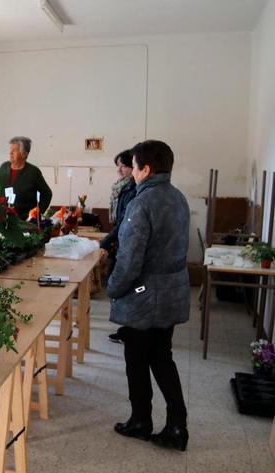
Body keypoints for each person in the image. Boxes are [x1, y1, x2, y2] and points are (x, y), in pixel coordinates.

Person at [108, 140, 190, 452]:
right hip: (171, 291)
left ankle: (141, 420)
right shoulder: (178, 197)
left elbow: (130, 261)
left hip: (144, 295)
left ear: (146, 169)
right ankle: (177, 424)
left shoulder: (141, 204)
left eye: (135, 167)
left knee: (137, 359)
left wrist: (114, 287)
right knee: (162, 356)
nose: (132, 174)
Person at [100, 149, 137, 344]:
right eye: (118, 166)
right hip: (120, 238)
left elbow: (124, 221)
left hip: (125, 241)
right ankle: (126, 329)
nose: (119, 170)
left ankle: (128, 330)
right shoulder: (123, 187)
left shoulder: (133, 190)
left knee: (125, 287)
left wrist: (105, 241)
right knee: (119, 285)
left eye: (123, 165)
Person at [0, 136, 52, 216]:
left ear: (24, 154)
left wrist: (37, 212)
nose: (10, 152)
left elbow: (47, 194)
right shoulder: (3, 167)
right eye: (11, 149)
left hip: (23, 222)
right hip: (2, 219)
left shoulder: (33, 172)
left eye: (15, 150)